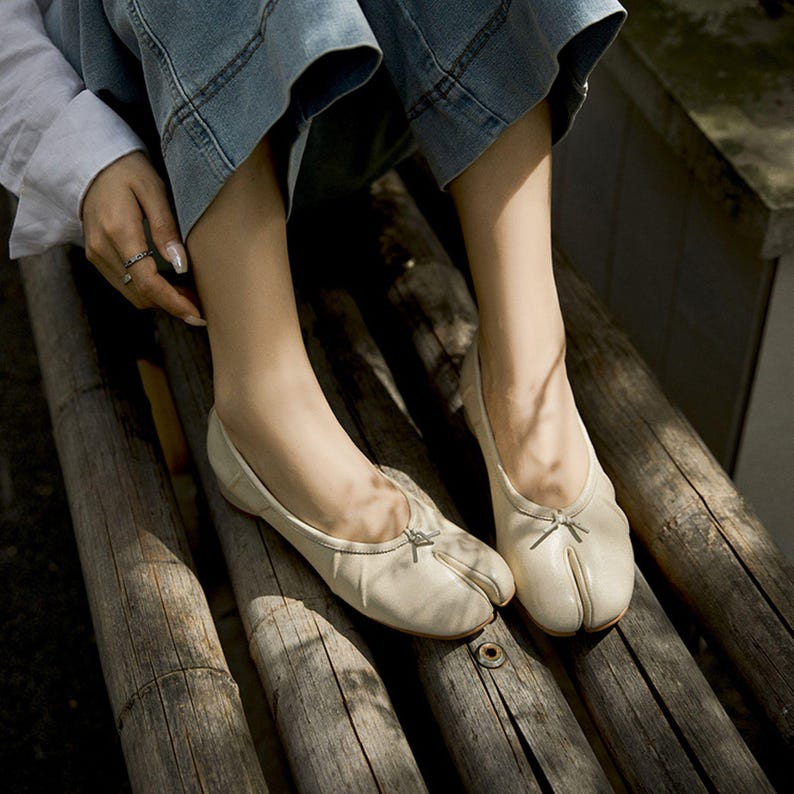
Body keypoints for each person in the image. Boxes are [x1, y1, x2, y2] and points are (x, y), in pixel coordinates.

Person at [1, 0, 634, 638]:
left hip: (349, 82)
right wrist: (81, 150)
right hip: (159, 139)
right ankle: (264, 405)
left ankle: (526, 364)